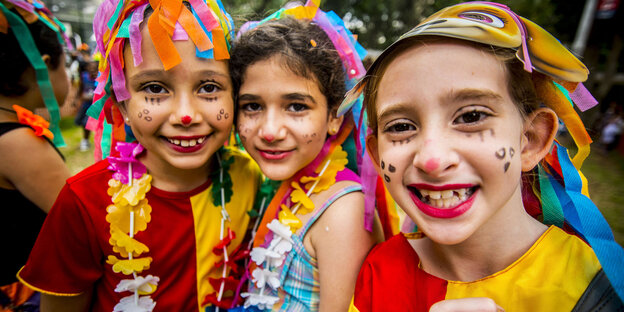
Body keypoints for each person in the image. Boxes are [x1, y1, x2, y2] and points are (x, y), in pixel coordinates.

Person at [342, 2, 624, 311]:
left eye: (471, 116)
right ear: (378, 153)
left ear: (530, 140)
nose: (432, 159)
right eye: (401, 126)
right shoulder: (378, 270)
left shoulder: (595, 286)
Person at [17, 0, 262, 311]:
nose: (185, 115)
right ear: (122, 105)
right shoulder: (83, 201)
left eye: (209, 86)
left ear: (236, 94)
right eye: (155, 89)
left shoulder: (250, 178)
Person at [229, 2, 382, 311]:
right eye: (252, 106)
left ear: (334, 116)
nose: (270, 131)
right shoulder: (277, 184)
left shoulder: (342, 211)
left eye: (297, 106)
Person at [0, 0, 71, 310]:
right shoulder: (18, 143)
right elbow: (88, 218)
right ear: (42, 64)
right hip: (24, 299)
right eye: (64, 64)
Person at [74, 57, 98, 152]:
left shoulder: (99, 79)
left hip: (94, 107)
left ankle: (86, 141)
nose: (92, 70)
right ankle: (86, 140)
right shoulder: (84, 77)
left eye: (94, 68)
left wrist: (89, 97)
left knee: (86, 123)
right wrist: (76, 99)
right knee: (79, 121)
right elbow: (80, 88)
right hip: (85, 106)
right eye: (90, 67)